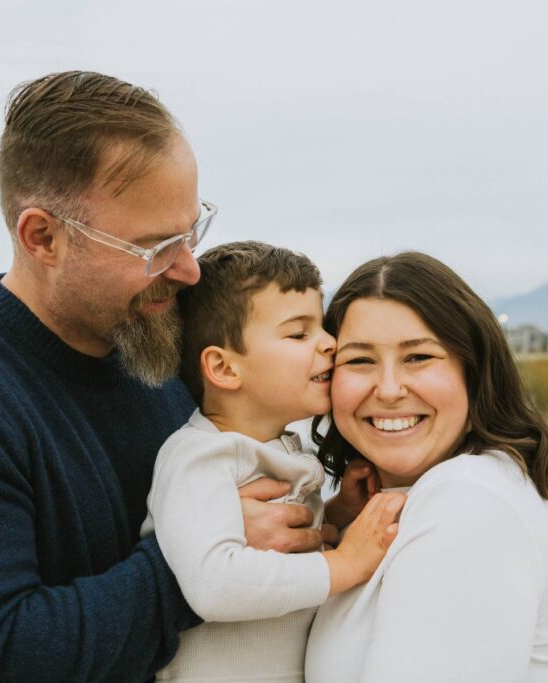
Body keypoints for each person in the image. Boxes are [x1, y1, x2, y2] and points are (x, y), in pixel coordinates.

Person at [0, 71, 330, 682]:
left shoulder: (157, 339)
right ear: (43, 237)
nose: (188, 270)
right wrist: (203, 558)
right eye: (155, 247)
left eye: (191, 231)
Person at [305, 252, 548, 682]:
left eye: (418, 357)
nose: (389, 389)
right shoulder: (395, 505)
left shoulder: (468, 502)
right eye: (360, 360)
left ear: (474, 373)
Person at [141, 241, 404, 681]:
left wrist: (336, 515)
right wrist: (343, 564)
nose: (330, 343)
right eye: (299, 334)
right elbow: (214, 585)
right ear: (225, 369)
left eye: (322, 327)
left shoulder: (278, 449)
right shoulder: (197, 457)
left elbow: (280, 549)